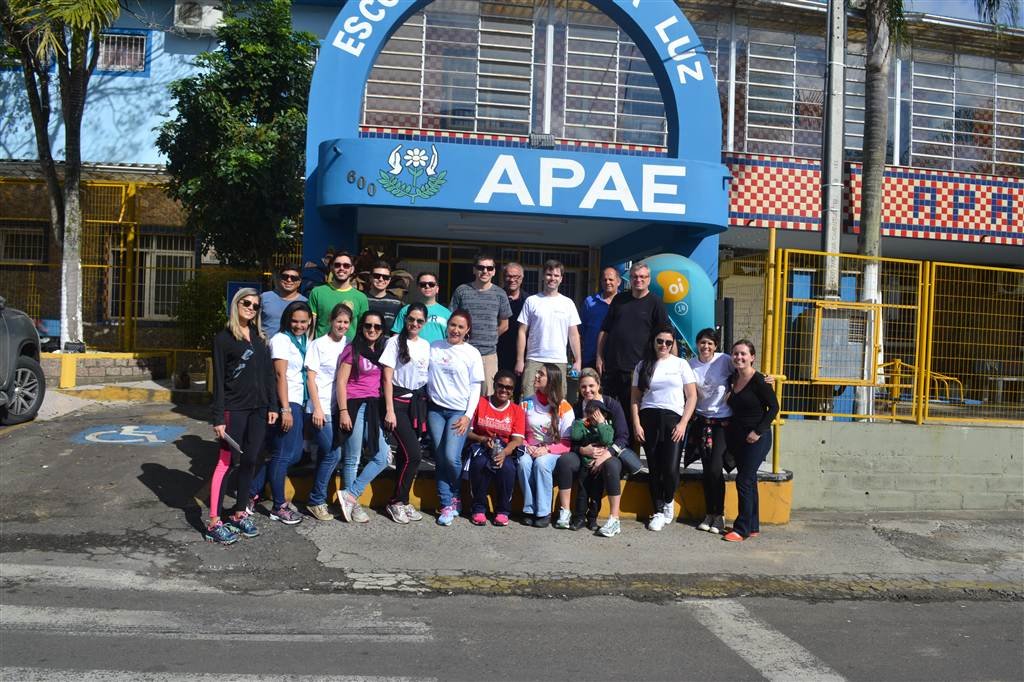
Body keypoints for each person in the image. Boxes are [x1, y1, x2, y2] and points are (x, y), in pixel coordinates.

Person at [208, 288, 278, 544]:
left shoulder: (260, 338)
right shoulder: (224, 339)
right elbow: (217, 380)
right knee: (226, 462)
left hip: (259, 410)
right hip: (233, 409)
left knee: (250, 460)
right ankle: (214, 520)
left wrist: (272, 406)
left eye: (255, 305)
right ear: (236, 304)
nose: (250, 308)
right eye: (246, 303)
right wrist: (218, 417)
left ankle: (238, 513)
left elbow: (269, 376)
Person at [552, 369, 638, 537]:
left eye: (591, 386)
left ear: (598, 385)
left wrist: (605, 455)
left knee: (612, 466)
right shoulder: (576, 408)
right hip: (583, 453)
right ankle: (566, 512)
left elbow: (623, 437)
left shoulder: (612, 405)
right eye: (583, 387)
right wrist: (582, 450)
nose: (588, 390)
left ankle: (614, 519)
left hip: (609, 453)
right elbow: (571, 439)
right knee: (565, 461)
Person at [250, 300, 313, 526]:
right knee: (283, 454)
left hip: (299, 400)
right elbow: (280, 376)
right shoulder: (281, 340)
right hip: (287, 402)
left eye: (303, 322)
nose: (299, 325)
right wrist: (285, 408)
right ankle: (279, 506)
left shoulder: (303, 340)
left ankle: (251, 491)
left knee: (293, 455)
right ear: (287, 320)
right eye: (294, 321)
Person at [631, 326, 697, 532]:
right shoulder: (642, 365)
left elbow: (692, 396)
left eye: (669, 342)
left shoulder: (681, 364)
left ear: (673, 344)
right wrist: (636, 423)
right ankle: (658, 510)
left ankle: (668, 499)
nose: (664, 346)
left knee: (670, 467)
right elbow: (634, 398)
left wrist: (683, 422)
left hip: (673, 419)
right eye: (660, 341)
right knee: (654, 467)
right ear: (653, 341)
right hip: (649, 417)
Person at [598, 261, 670, 438]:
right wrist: (599, 357)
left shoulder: (655, 303)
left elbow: (667, 335)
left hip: (637, 369)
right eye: (635, 277)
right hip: (612, 367)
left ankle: (630, 458)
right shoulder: (620, 300)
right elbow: (605, 331)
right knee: (607, 413)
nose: (639, 280)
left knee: (633, 417)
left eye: (643, 277)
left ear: (649, 279)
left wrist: (670, 364)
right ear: (630, 279)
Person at [426, 309, 484, 526]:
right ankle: (446, 503)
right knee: (440, 456)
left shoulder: (472, 353)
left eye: (461, 327)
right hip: (435, 410)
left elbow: (475, 387)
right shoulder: (434, 346)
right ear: (447, 325)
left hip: (458, 412)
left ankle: (456, 493)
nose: (456, 330)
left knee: (451, 456)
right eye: (453, 325)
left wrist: (468, 416)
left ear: (467, 330)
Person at [335, 311, 390, 524]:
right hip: (354, 405)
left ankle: (350, 495)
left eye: (377, 327)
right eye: (368, 326)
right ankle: (353, 505)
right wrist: (343, 411)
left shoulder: (383, 351)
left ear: (382, 330)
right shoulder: (352, 349)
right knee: (353, 458)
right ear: (362, 327)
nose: (372, 330)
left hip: (374, 407)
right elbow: (341, 382)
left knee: (383, 456)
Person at [722, 339, 779, 543]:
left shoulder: (760, 381)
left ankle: (742, 528)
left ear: (752, 357)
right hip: (739, 437)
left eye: (743, 354)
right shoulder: (732, 378)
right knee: (750, 480)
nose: (739, 357)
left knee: (744, 480)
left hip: (757, 438)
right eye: (736, 354)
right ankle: (753, 525)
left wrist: (758, 431)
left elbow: (773, 408)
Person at [381, 302, 431, 524]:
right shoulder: (394, 342)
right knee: (414, 455)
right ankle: (396, 501)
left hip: (416, 405)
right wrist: (389, 410)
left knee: (404, 455)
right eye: (411, 319)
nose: (415, 324)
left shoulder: (426, 345)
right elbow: (386, 377)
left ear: (425, 323)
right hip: (397, 404)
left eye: (420, 321)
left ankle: (403, 500)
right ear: (405, 319)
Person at [303, 303, 352, 521]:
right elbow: (310, 378)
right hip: (320, 407)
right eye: (338, 321)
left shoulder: (349, 345)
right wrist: (317, 408)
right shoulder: (318, 345)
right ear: (331, 321)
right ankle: (316, 500)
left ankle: (317, 496)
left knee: (327, 453)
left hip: (337, 407)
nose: (341, 325)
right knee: (334, 453)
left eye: (346, 322)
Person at [688, 327, 734, 535]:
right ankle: (709, 513)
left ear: (715, 346)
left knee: (716, 468)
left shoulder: (724, 360)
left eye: (710, 343)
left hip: (722, 423)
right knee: (707, 471)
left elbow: (744, 371)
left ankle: (719, 514)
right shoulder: (690, 365)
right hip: (701, 422)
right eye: (702, 342)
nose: (705, 346)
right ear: (697, 344)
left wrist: (764, 378)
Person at [465, 370, 526, 527]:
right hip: (481, 444)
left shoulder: (517, 410)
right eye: (501, 386)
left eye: (509, 388)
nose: (504, 390)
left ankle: (503, 511)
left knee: (507, 468)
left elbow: (517, 439)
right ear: (494, 385)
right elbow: (468, 431)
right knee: (479, 465)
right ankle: (478, 509)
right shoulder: (480, 402)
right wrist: (482, 439)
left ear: (513, 390)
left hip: (505, 448)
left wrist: (505, 452)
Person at [517, 363, 574, 528]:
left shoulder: (565, 407)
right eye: (537, 373)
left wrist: (546, 449)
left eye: (540, 374)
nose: (536, 376)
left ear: (551, 381)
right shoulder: (526, 403)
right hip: (529, 447)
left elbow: (566, 443)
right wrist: (527, 446)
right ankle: (529, 509)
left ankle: (543, 512)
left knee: (542, 464)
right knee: (523, 462)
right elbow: (519, 433)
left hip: (553, 451)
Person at [515, 259, 582, 395]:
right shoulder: (531, 301)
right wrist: (520, 360)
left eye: (556, 275)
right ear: (543, 276)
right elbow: (522, 332)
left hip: (559, 361)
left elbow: (574, 335)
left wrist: (578, 361)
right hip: (534, 359)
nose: (552, 278)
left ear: (561, 278)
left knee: (557, 402)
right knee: (529, 401)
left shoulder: (568, 303)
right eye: (549, 274)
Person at [449, 253, 511, 396]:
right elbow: (452, 318)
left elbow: (504, 324)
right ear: (474, 270)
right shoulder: (462, 291)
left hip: (488, 355)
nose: (485, 271)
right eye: (481, 267)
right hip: (462, 351)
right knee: (461, 393)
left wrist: (490, 337)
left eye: (489, 268)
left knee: (488, 395)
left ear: (494, 271)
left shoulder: (500, 294)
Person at [308, 251, 368, 340]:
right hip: (321, 350)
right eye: (337, 265)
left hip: (348, 351)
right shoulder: (317, 292)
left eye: (346, 265)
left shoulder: (361, 297)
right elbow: (311, 326)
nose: (341, 268)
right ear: (331, 268)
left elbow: (362, 329)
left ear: (352, 269)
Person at [579, 267, 620, 369]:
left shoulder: (624, 302)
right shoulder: (589, 302)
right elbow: (582, 329)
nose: (607, 282)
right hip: (591, 356)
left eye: (611, 279)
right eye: (604, 280)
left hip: (617, 357)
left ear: (618, 282)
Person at [392, 271, 450, 343]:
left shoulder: (447, 313)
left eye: (431, 284)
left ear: (437, 289)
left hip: (437, 353)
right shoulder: (406, 310)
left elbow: (450, 339)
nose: (427, 286)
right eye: (423, 284)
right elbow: (396, 336)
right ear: (418, 288)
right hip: (411, 353)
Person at [496, 262, 528, 379]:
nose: (512, 280)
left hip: (521, 354)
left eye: (516, 276)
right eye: (509, 276)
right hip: (498, 351)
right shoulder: (496, 297)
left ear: (522, 278)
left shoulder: (529, 301)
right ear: (503, 277)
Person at [260, 263, 307, 339]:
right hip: (265, 347)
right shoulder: (265, 297)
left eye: (294, 278)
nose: (289, 280)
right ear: (279, 279)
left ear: (299, 282)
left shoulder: (305, 303)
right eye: (285, 277)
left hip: (292, 349)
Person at [365, 260, 403, 335]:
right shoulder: (362, 299)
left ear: (389, 280)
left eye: (385, 277)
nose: (381, 279)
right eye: (377, 276)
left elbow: (397, 331)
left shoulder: (396, 304)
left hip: (387, 346)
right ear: (370, 278)